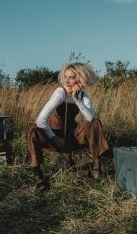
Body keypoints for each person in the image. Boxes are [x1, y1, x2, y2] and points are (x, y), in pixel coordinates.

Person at [27, 62, 110, 191]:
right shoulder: (60, 93)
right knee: (33, 132)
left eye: (71, 77)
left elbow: (90, 118)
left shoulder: (83, 96)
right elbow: (40, 120)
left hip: (72, 136)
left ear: (81, 79)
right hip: (54, 136)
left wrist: (77, 100)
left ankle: (96, 168)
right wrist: (54, 138)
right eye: (65, 77)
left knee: (95, 122)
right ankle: (38, 176)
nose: (67, 80)